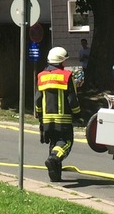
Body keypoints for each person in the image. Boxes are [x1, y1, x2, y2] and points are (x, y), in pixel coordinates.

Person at [34, 46, 81, 182]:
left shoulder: (41, 76)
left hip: (46, 120)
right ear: (61, 61)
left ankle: (55, 175)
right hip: (63, 119)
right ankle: (53, 159)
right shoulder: (66, 76)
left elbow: (38, 99)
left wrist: (39, 115)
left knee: (54, 144)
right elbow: (72, 98)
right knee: (65, 143)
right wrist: (78, 113)